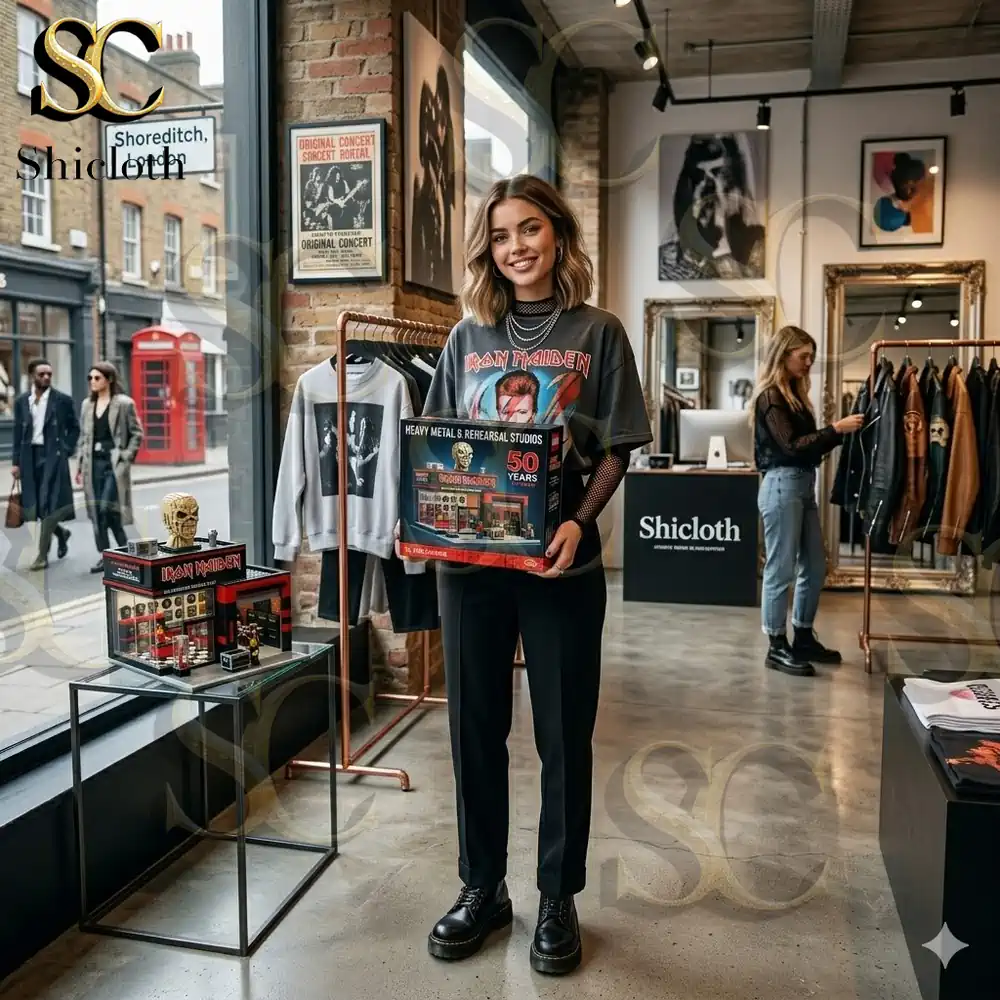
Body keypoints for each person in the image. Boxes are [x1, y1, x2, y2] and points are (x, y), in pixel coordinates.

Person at [413, 174, 652, 975]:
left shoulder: (599, 332)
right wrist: (424, 524)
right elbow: (441, 441)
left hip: (560, 563)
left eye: (530, 230)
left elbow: (619, 446)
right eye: (502, 234)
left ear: (558, 235)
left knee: (561, 735)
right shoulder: (466, 338)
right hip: (471, 565)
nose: (516, 247)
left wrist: (580, 522)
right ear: (490, 246)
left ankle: (557, 895)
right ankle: (483, 888)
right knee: (474, 729)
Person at [750, 326, 864, 677]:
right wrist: (836, 430)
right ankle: (776, 645)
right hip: (782, 485)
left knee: (814, 566)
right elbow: (792, 445)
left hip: (801, 485)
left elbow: (808, 444)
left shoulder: (796, 396)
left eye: (811, 356)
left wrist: (834, 434)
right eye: (803, 356)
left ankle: (801, 636)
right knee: (780, 568)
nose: (808, 362)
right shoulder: (770, 397)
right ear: (784, 354)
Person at [11, 358, 78, 571]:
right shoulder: (22, 401)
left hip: (53, 457)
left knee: (48, 504)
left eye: (49, 373)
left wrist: (65, 450)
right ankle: (61, 532)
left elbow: (74, 428)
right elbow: (17, 433)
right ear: (32, 376)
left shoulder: (62, 400)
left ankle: (42, 556)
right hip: (29, 457)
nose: (46, 377)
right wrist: (15, 463)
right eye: (42, 374)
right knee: (37, 506)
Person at [76, 362, 143, 573]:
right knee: (99, 513)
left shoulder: (124, 404)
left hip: (113, 465)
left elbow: (137, 433)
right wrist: (79, 466)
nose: (92, 382)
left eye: (97, 378)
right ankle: (112, 555)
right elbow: (83, 438)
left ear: (109, 379)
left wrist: (126, 457)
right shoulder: (87, 405)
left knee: (106, 508)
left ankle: (123, 554)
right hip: (92, 465)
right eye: (90, 378)